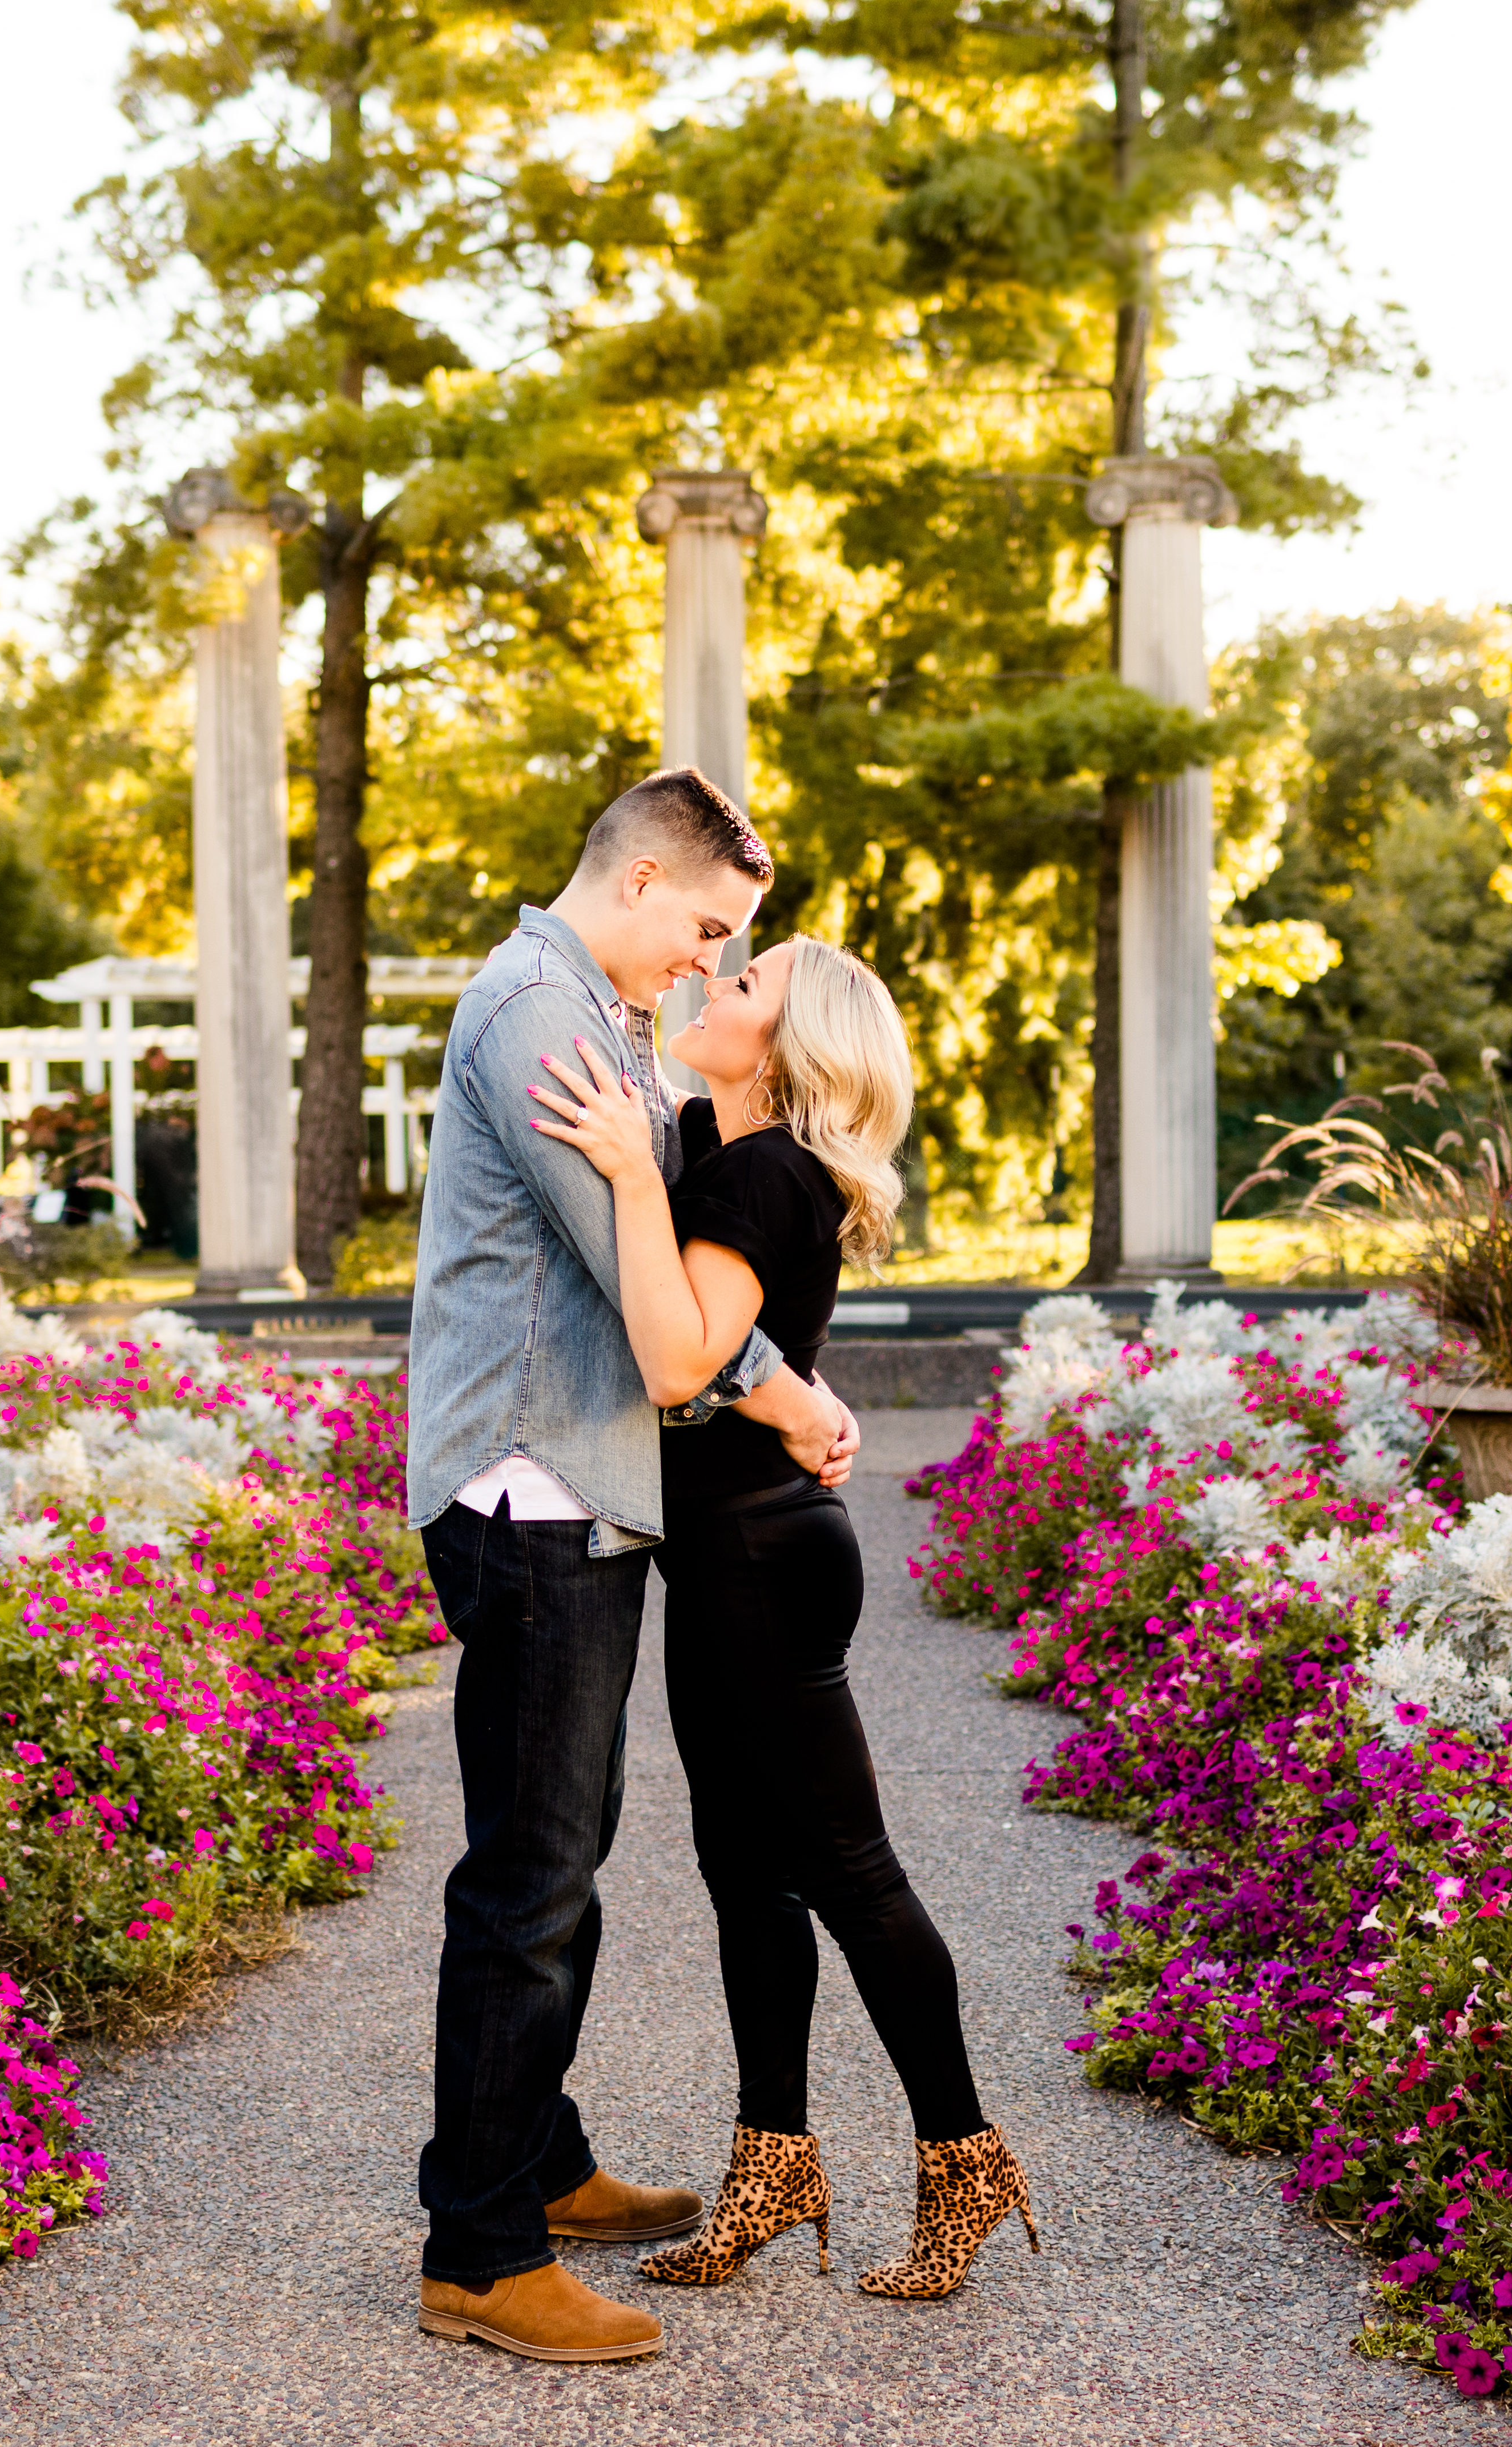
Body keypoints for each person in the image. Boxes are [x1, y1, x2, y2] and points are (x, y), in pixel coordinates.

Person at [405, 769, 863, 2365]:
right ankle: (479, 2246)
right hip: (534, 1485)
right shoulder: (538, 1014)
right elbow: (652, 1292)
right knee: (528, 1879)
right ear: (646, 874)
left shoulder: (592, 1010)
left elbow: (673, 1221)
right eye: (712, 926)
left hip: (571, 1488)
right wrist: (797, 1394)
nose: (712, 956)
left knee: (561, 1853)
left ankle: (535, 2151)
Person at [525, 934, 1038, 2305]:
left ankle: (965, 2157)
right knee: (743, 1882)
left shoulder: (762, 1172)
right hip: (730, 1557)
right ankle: (774, 2164)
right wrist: (644, 1145)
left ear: (791, 1046)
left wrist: (637, 1173)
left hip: (761, 1559)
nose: (711, 985)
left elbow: (689, 1355)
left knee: (849, 1874)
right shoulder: (715, 1140)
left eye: (744, 988)